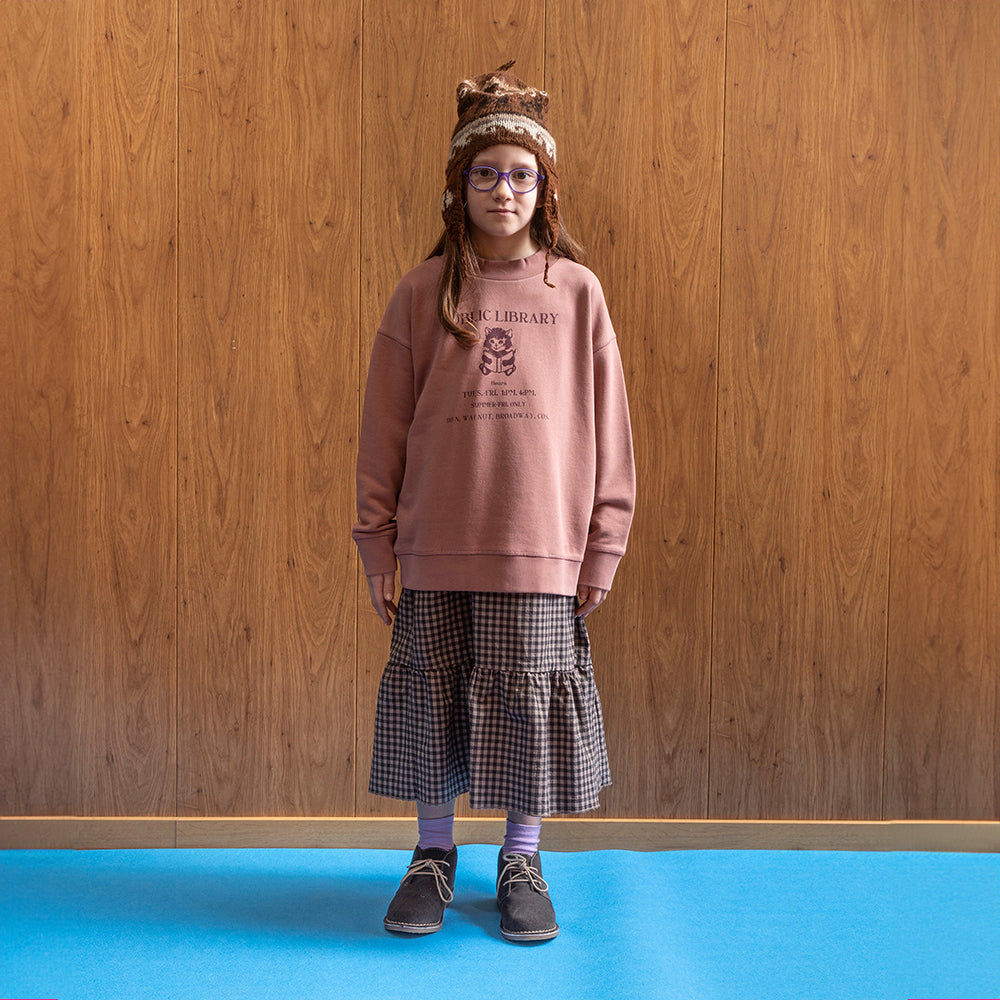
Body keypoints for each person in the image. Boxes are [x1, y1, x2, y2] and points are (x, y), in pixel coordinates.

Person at [352, 61, 635, 942]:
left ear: (544, 190)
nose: (502, 189)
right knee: (434, 698)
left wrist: (604, 542)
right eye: (485, 173)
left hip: (540, 548)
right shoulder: (419, 294)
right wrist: (376, 540)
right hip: (438, 544)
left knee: (525, 705)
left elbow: (610, 431)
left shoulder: (576, 294)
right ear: (458, 188)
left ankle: (521, 856)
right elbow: (383, 432)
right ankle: (433, 857)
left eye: (520, 174)